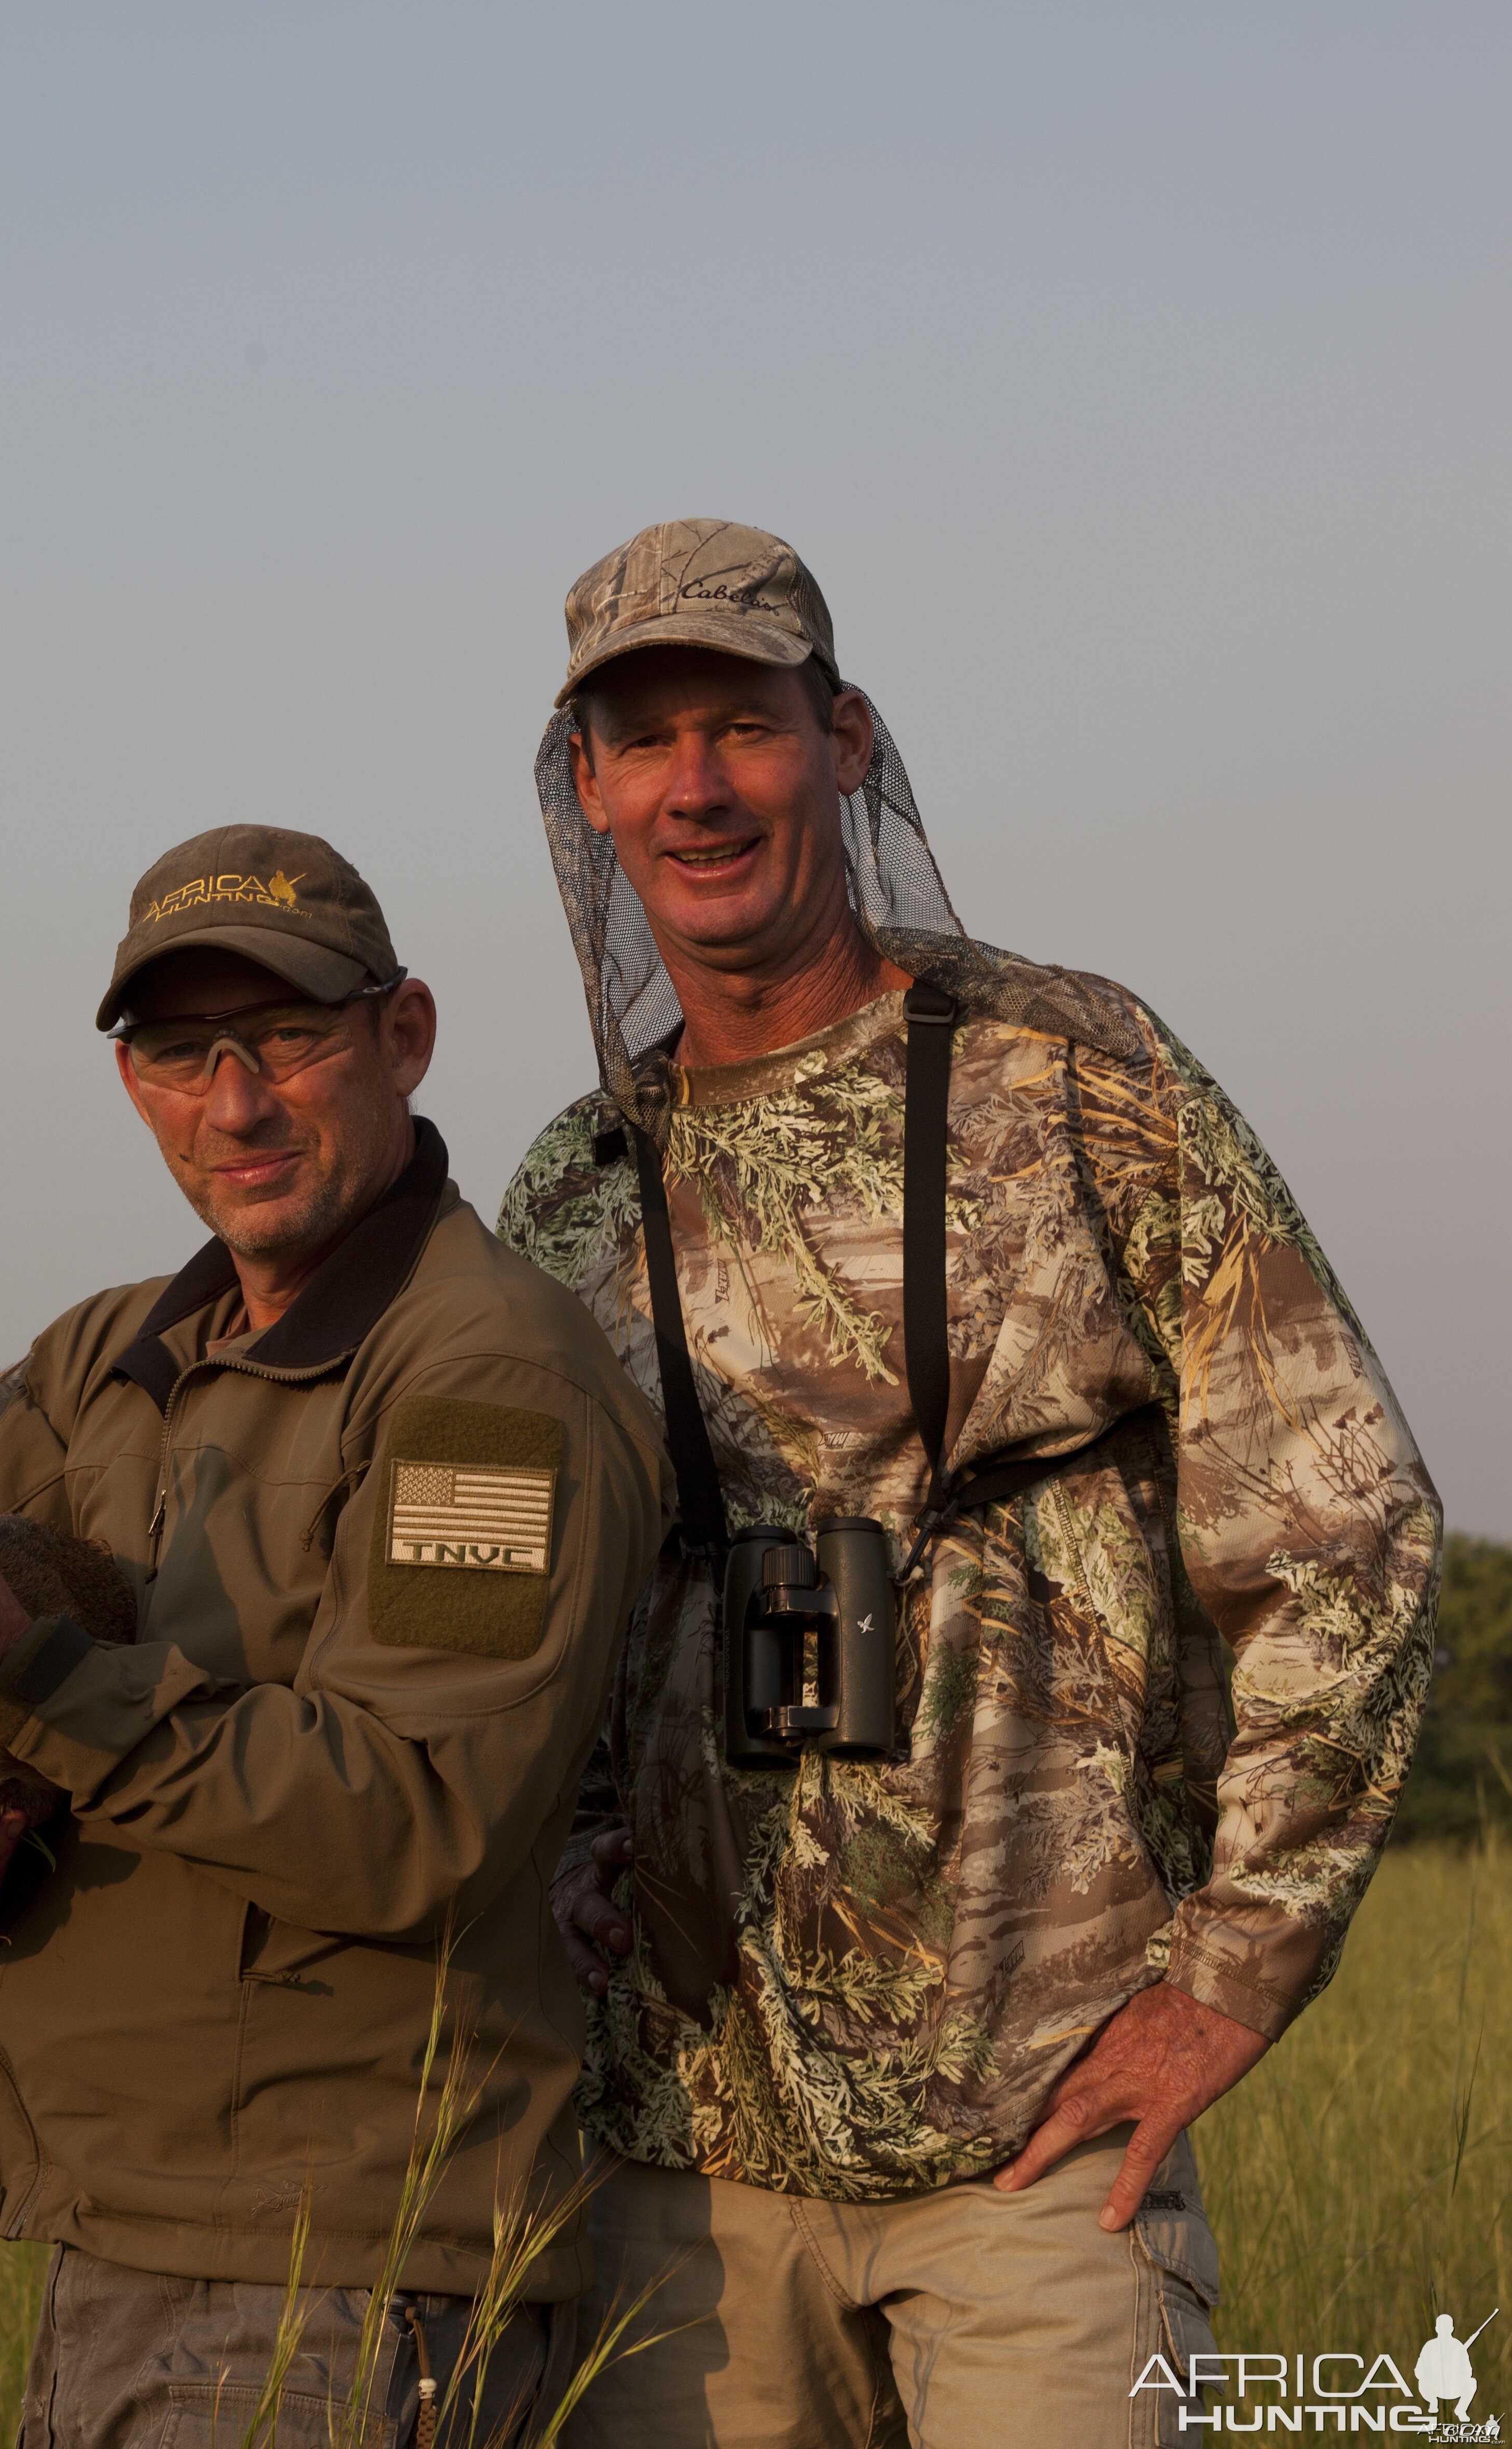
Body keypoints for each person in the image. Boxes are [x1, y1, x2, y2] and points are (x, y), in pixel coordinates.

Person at [498, 521, 1440, 2449]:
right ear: (585, 788)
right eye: (646, 742)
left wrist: (1236, 1975)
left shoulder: (1082, 1075)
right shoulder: (572, 1190)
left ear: (841, 739)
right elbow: (523, 1649)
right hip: (680, 2178)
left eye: (743, 727)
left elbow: (1343, 1520)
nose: (698, 787)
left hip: (1046, 2146)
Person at [0, 823, 665, 2449]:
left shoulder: (485, 1385)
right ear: (132, 1082)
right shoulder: (94, 1362)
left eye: (288, 1037)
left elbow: (420, 1813)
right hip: (112, 2233)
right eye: (179, 1052)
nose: (235, 1103)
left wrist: (27, 1677)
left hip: (332, 2275)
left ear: (403, 1037)